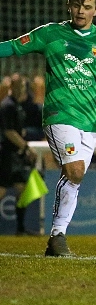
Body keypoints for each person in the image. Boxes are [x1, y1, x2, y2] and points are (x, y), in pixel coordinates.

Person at [0, 0, 96, 256]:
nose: (81, 12)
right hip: (59, 116)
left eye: (87, 7)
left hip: (88, 122)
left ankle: (56, 239)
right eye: (76, 6)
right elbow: (13, 47)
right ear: (68, 5)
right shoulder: (51, 34)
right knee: (75, 171)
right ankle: (58, 236)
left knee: (75, 178)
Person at [0, 73, 39, 235]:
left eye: (23, 86)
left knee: (21, 188)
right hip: (6, 153)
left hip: (16, 153)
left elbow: (17, 130)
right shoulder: (7, 105)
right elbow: (9, 132)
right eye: (18, 86)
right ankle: (20, 228)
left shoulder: (17, 105)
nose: (21, 89)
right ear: (11, 87)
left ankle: (20, 229)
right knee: (2, 188)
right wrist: (27, 148)